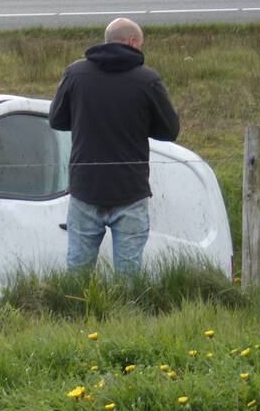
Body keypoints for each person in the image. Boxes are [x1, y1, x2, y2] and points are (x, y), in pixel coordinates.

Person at [49, 17, 180, 273]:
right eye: (141, 44)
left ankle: (78, 310)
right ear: (132, 42)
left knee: (78, 273)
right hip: (129, 190)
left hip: (86, 187)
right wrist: (140, 125)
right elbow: (170, 130)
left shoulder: (76, 73)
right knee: (129, 277)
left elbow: (57, 120)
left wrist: (84, 119)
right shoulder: (147, 80)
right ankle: (125, 312)